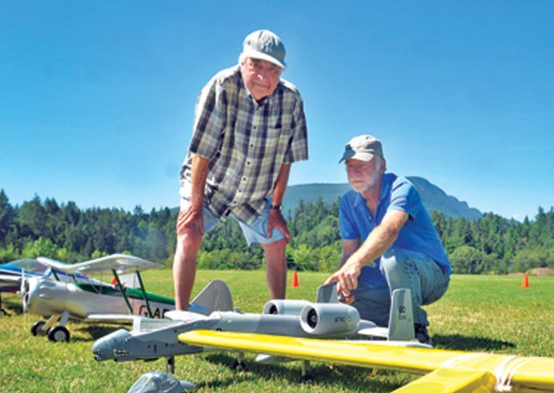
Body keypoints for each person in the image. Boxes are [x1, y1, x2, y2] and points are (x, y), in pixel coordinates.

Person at [174, 29, 308, 309]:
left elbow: (286, 160)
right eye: (256, 65)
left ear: (280, 72)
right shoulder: (221, 86)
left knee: (277, 240)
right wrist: (195, 204)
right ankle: (180, 315)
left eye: (272, 69)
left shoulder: (292, 100)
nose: (263, 75)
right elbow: (202, 151)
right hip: (210, 184)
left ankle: (278, 315)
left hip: (255, 193)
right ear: (242, 62)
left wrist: (275, 209)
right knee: (189, 233)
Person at [324, 135, 451, 344]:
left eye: (362, 164)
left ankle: (415, 328)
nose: (355, 171)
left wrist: (355, 263)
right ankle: (381, 322)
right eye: (349, 165)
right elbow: (348, 254)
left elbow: (390, 229)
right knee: (346, 281)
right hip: (389, 276)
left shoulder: (402, 188)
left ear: (382, 166)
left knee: (392, 258)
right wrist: (342, 285)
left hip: (430, 276)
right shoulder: (347, 202)